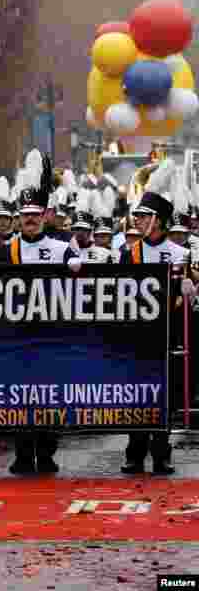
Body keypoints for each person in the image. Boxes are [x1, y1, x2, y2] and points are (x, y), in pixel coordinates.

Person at [0, 153, 71, 475]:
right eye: (24, 214)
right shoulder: (5, 249)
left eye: (35, 214)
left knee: (49, 398)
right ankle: (23, 454)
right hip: (17, 335)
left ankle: (47, 453)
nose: (29, 219)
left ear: (44, 215)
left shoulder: (62, 247)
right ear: (18, 216)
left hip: (51, 334)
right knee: (20, 398)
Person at [119, 161, 191, 475]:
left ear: (158, 220)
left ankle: (162, 454)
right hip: (137, 334)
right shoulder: (129, 253)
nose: (138, 220)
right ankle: (135, 453)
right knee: (137, 396)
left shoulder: (180, 254)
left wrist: (191, 287)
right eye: (137, 215)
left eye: (144, 216)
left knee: (165, 397)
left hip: (169, 333)